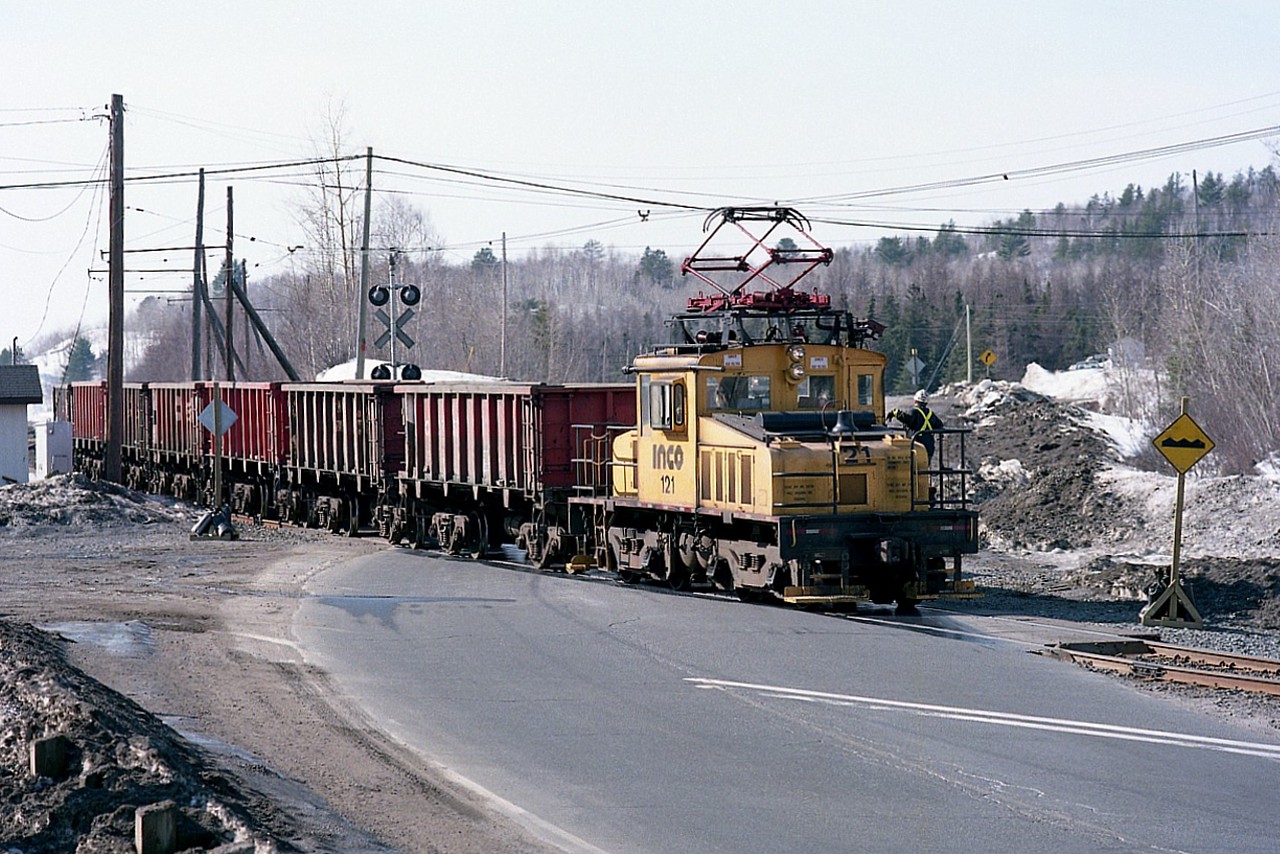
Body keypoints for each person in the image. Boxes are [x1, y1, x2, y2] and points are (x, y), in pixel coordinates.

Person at [888, 390, 944, 460]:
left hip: (916, 445)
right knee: (926, 463)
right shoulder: (931, 414)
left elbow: (906, 418)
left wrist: (894, 412)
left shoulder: (914, 412)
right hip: (929, 446)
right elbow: (939, 425)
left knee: (915, 464)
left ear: (915, 400)